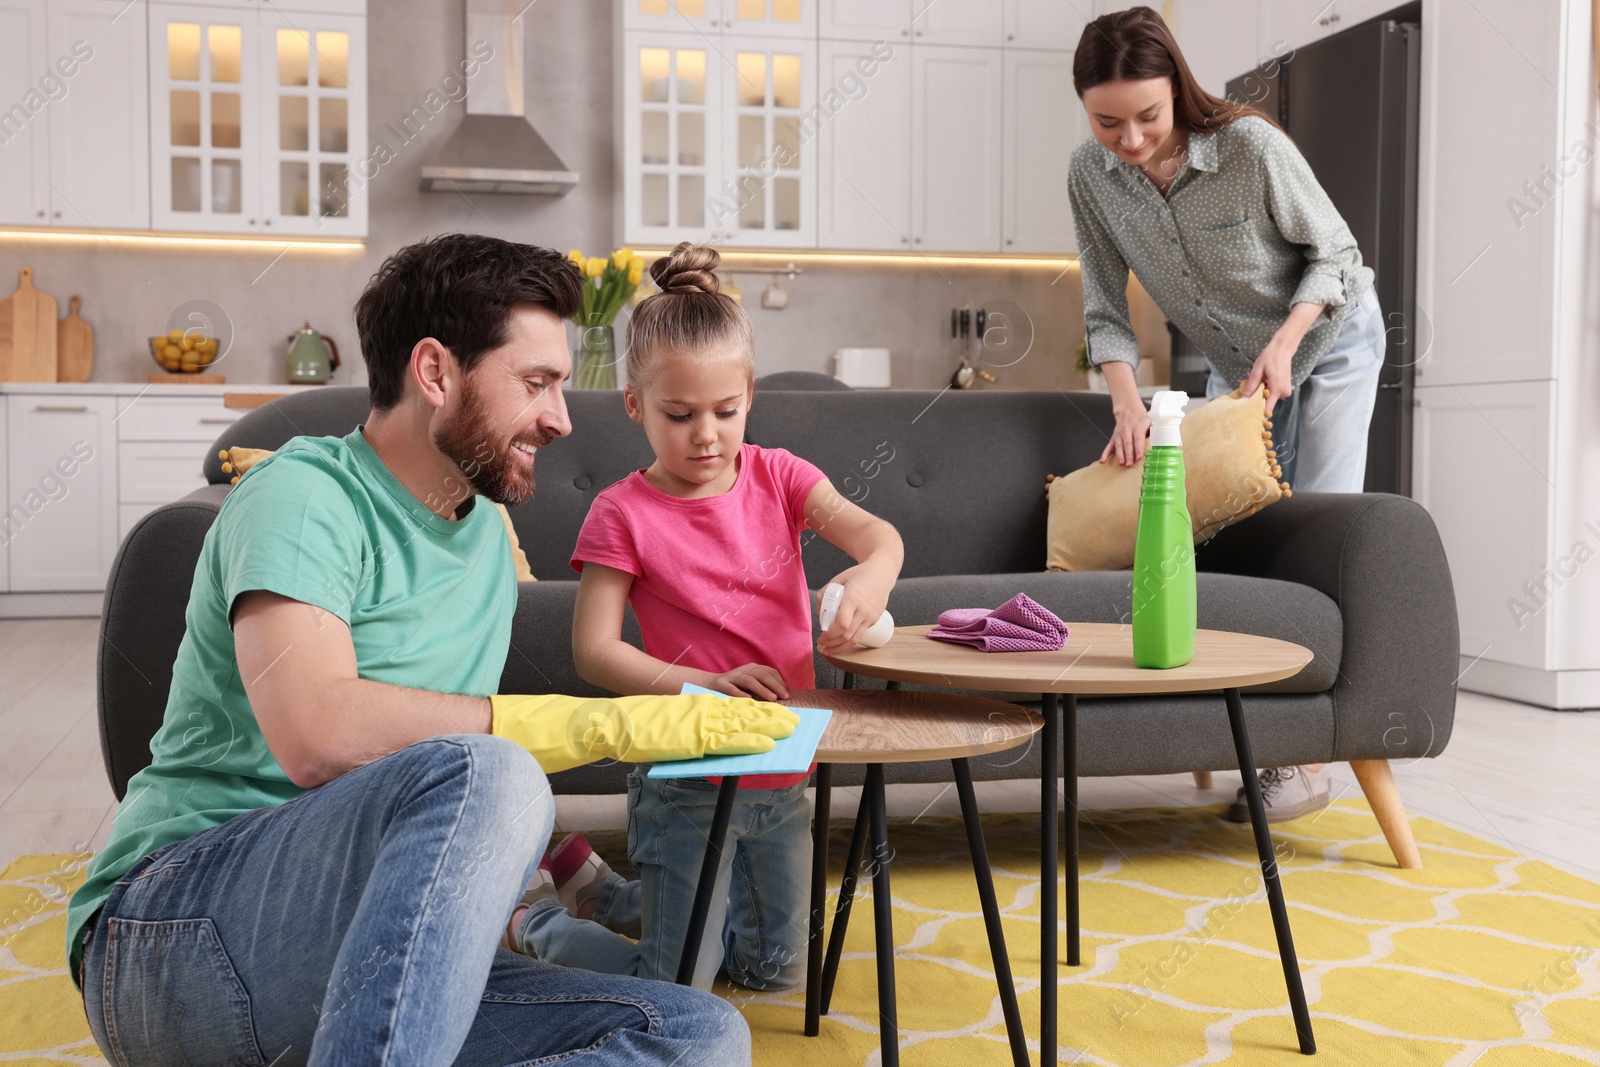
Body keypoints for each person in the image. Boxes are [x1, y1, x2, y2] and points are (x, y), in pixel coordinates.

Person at [65, 234, 801, 1066]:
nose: (561, 417)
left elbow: (444, 792)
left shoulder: (486, 536)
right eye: (537, 383)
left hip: (371, 970)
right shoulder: (305, 495)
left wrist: (575, 870)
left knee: (698, 1034)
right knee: (488, 763)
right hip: (174, 938)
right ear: (435, 371)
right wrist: (607, 726)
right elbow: (320, 732)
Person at [503, 242, 904, 989]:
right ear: (635, 406)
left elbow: (879, 536)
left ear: (750, 393)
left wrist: (875, 574)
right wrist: (703, 685)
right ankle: (538, 919)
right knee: (678, 985)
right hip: (685, 779)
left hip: (781, 769)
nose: (707, 435)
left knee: (776, 973)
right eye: (679, 415)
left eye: (726, 410)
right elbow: (594, 652)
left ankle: (606, 890)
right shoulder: (621, 511)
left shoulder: (781, 476)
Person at [1067, 6, 1386, 822]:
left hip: (1330, 337)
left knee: (1319, 524)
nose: (1130, 139)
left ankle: (1304, 761)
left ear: (1177, 88)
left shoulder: (1249, 146)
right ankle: (1238, 728)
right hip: (1240, 369)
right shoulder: (1090, 177)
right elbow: (1105, 306)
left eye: (1147, 116)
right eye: (1108, 122)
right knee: (1226, 535)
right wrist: (1126, 399)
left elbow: (1337, 256)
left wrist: (1285, 343)